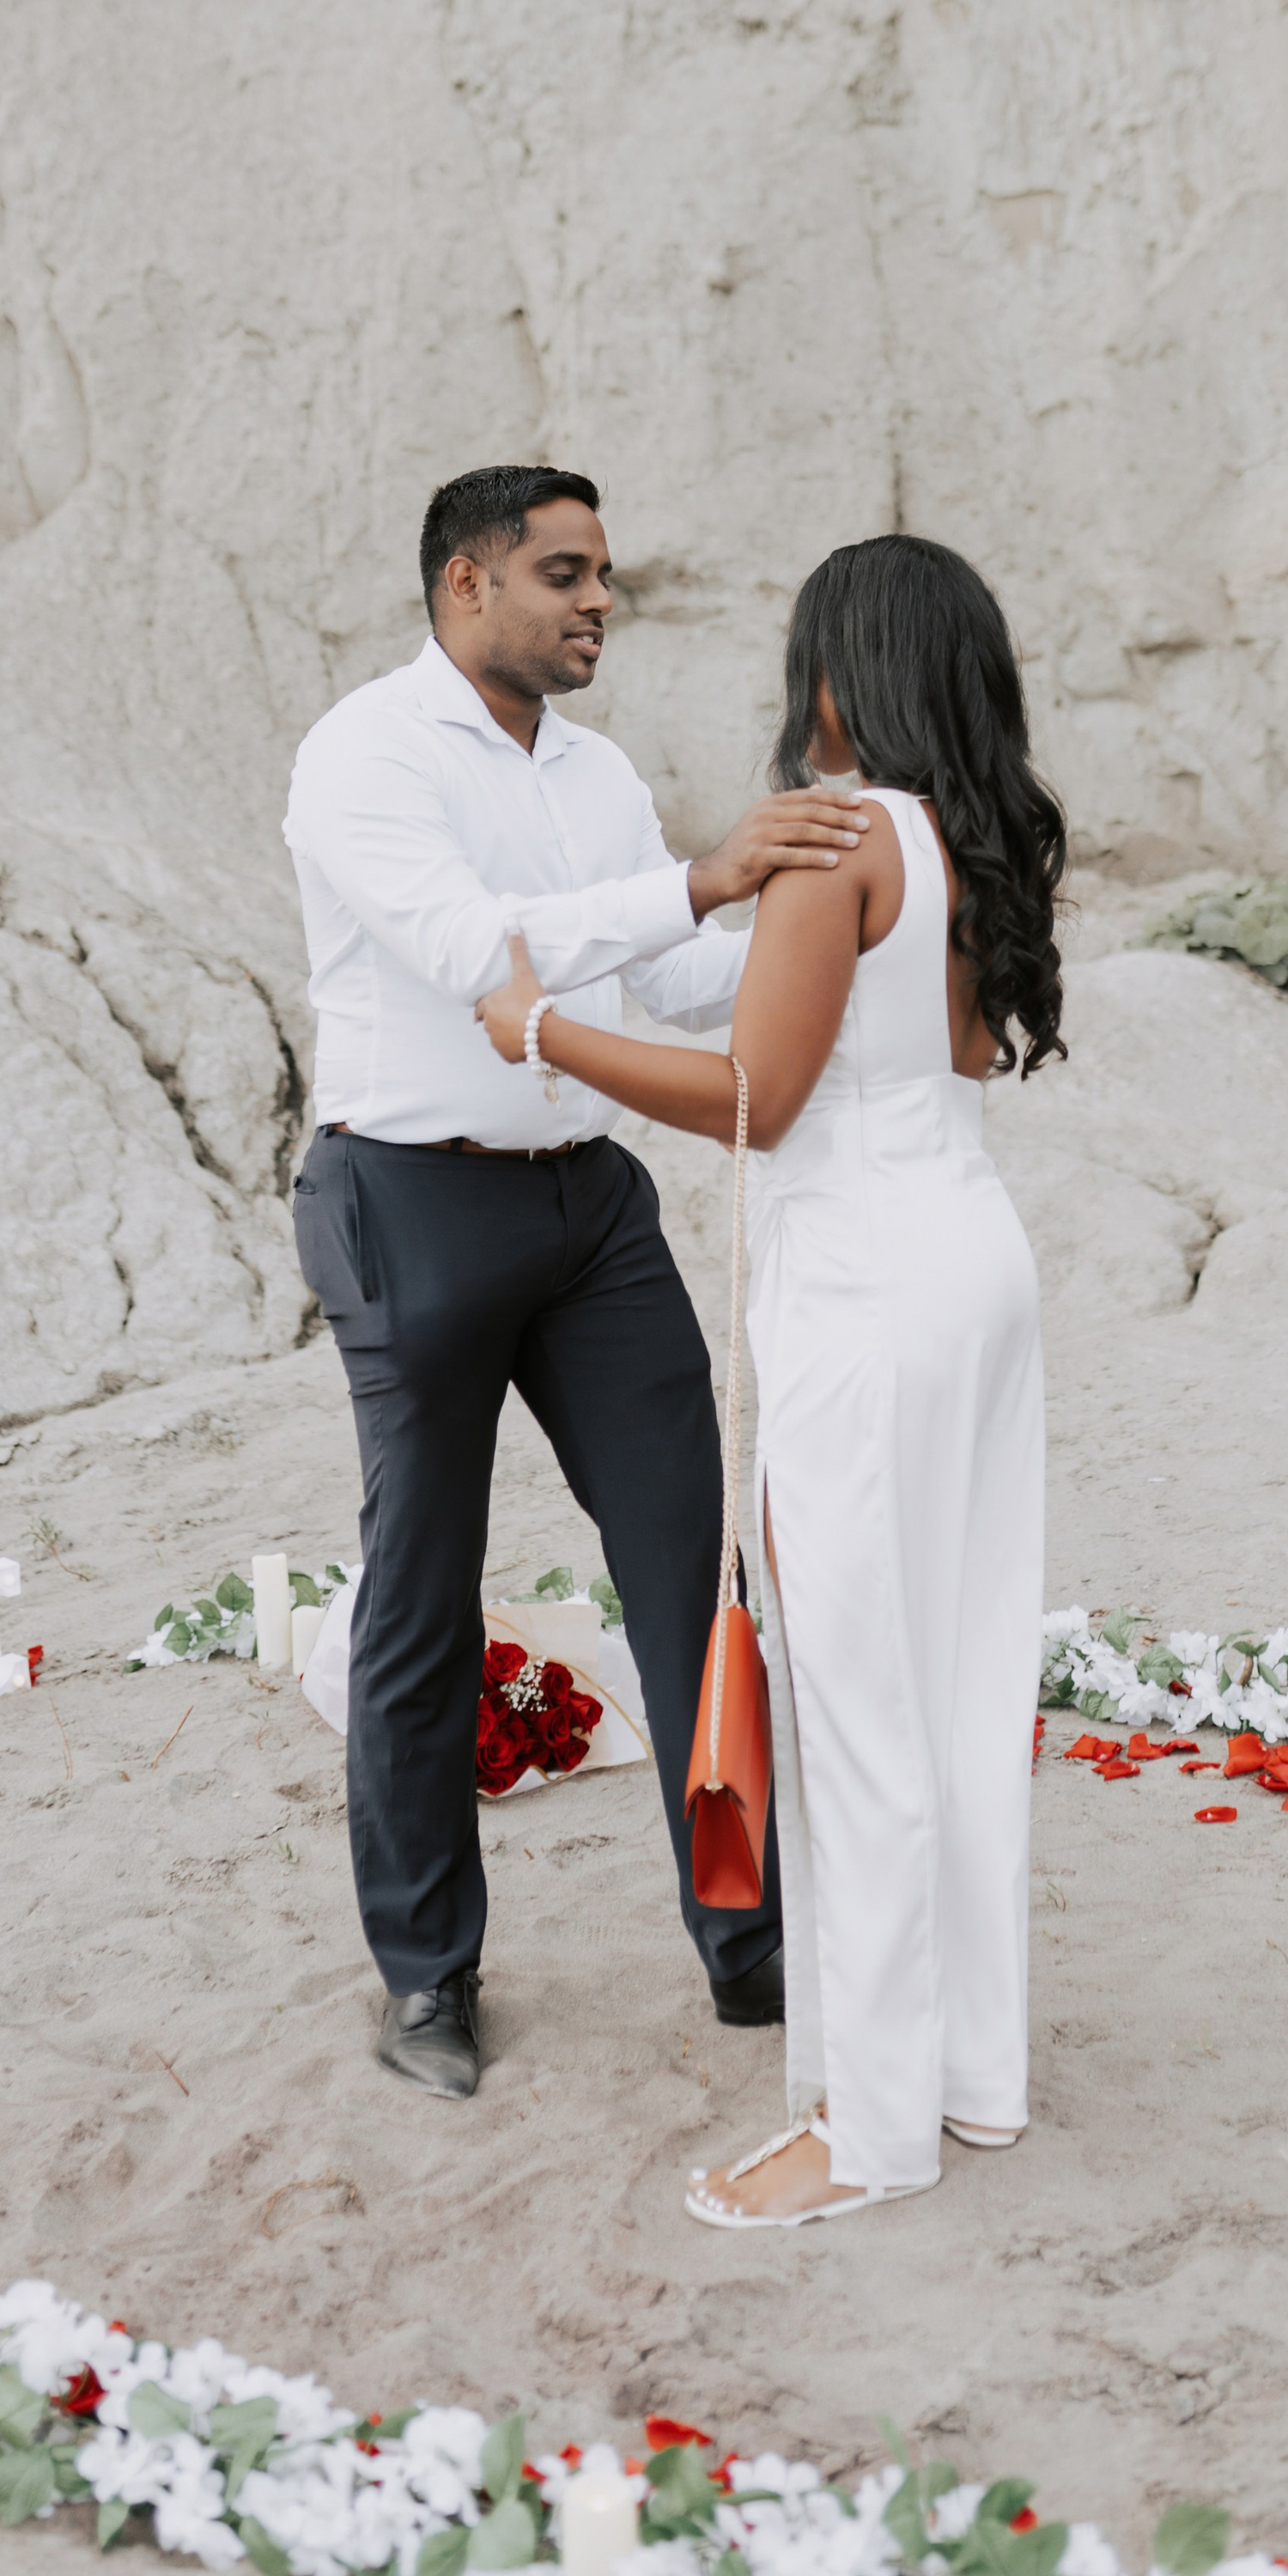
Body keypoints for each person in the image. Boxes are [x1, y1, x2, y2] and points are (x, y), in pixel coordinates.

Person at [476, 533, 1063, 2221]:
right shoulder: (979, 834)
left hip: (867, 1291)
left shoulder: (838, 840)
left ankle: (867, 2133)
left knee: (857, 1713)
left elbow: (754, 1095)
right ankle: (963, 2076)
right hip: (974, 1267)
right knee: (952, 1689)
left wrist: (534, 1029)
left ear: (836, 672)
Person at [283, 464, 873, 2099]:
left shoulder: (599, 774)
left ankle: (750, 1950)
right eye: (565, 572)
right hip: (409, 1200)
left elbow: (675, 975)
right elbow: (485, 954)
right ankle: (427, 1982)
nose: (599, 598)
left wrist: (850, 919)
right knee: (423, 1596)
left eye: (603, 572)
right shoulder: (361, 755)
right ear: (467, 586)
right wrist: (702, 877)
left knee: (701, 1562)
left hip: (593, 1212)